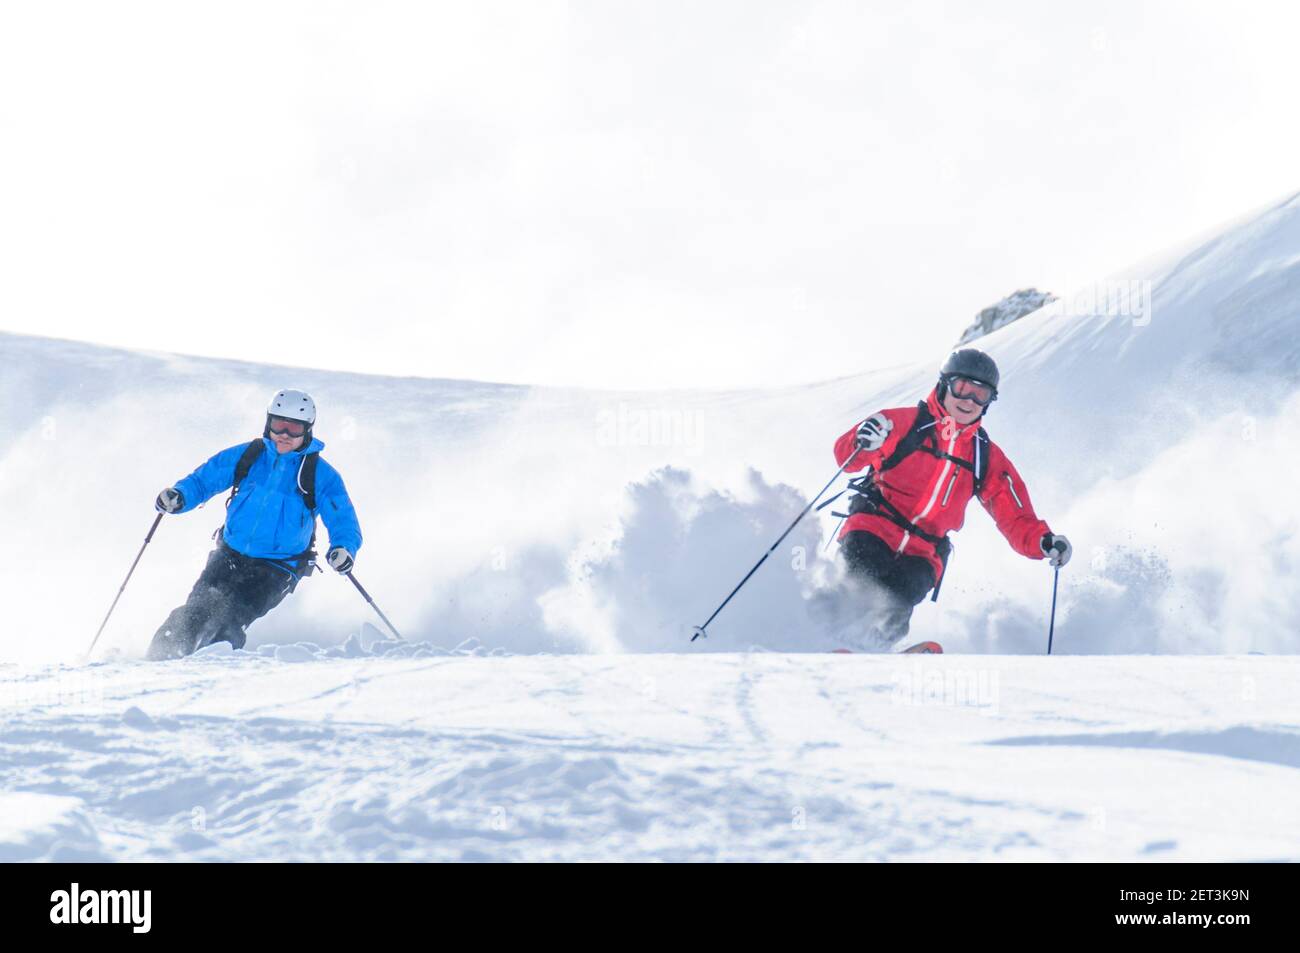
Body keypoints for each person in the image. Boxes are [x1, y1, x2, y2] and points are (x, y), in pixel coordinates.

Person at [831, 348, 1070, 649]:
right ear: (944, 385)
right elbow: (846, 456)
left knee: (901, 598)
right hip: (873, 526)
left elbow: (1015, 515)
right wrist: (863, 440)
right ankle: (829, 638)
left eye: (980, 395)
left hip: (925, 549)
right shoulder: (903, 424)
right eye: (962, 388)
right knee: (861, 576)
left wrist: (1042, 542)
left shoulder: (984, 455)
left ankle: (875, 652)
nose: (969, 400)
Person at [146, 389, 362, 659]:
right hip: (230, 553)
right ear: (268, 422)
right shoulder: (249, 455)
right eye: (278, 424)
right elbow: (204, 480)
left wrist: (343, 548)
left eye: (294, 428)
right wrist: (179, 496)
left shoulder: (320, 474)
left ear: (307, 431)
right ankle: (158, 663)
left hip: (278, 566)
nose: (284, 434)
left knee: (230, 619)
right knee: (194, 612)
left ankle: (206, 676)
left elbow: (343, 520)